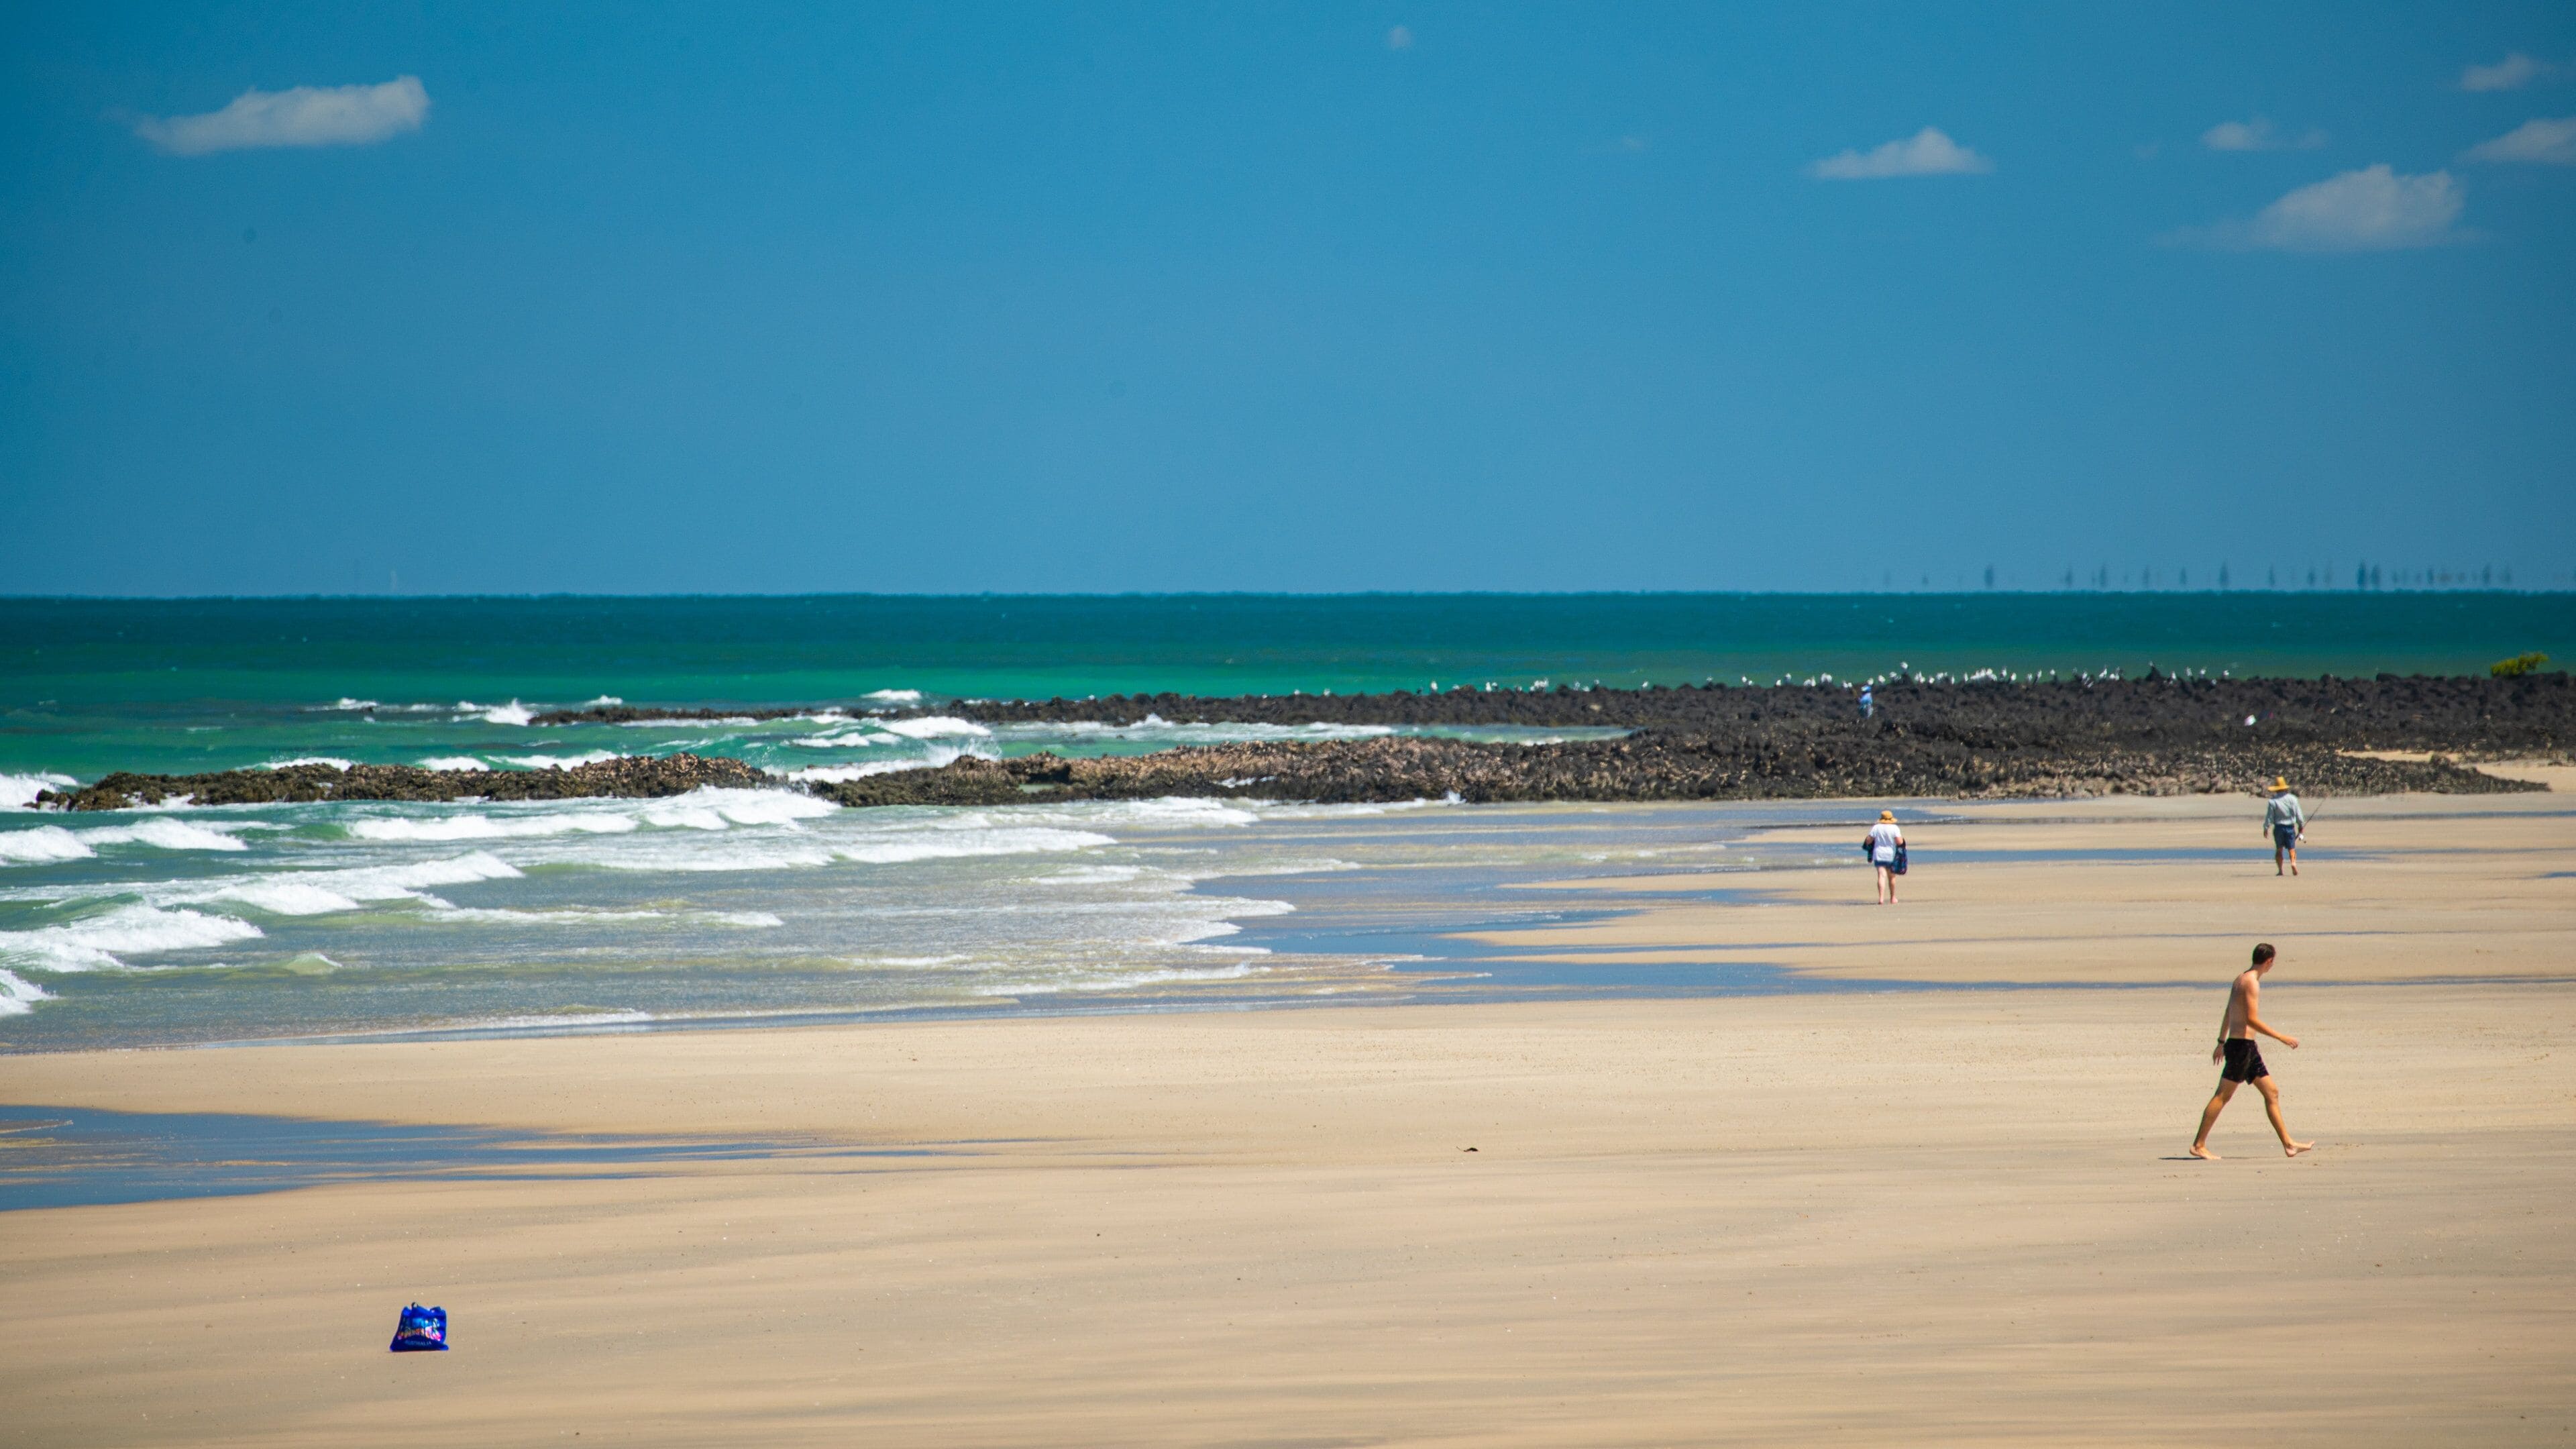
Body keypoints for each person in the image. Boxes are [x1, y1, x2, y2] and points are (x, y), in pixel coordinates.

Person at [2189, 943, 2314, 1160]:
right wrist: (2281, 1037)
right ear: (2269, 962)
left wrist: (2221, 1041)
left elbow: (2229, 1010)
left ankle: (2288, 1144)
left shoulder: (2240, 979)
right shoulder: (2252, 984)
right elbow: (2251, 1019)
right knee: (2222, 1095)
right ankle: (2199, 1145)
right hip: (2241, 1048)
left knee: (2271, 1092)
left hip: (2245, 1048)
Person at [2263, 777, 2306, 876]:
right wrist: (2301, 825)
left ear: (2277, 789)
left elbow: (2269, 817)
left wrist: (2266, 828)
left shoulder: (2273, 801)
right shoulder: (2293, 799)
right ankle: (2293, 863)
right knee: (2292, 848)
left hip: (2278, 828)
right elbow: (2298, 814)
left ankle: (2280, 870)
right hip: (2290, 827)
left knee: (2279, 849)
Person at [1863, 809, 1904, 905]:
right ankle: (1893, 898)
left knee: (1881, 876)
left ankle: (1881, 899)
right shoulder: (1895, 828)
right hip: (1891, 855)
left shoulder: (1876, 828)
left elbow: (1869, 841)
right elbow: (1900, 842)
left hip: (1879, 854)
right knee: (1892, 877)